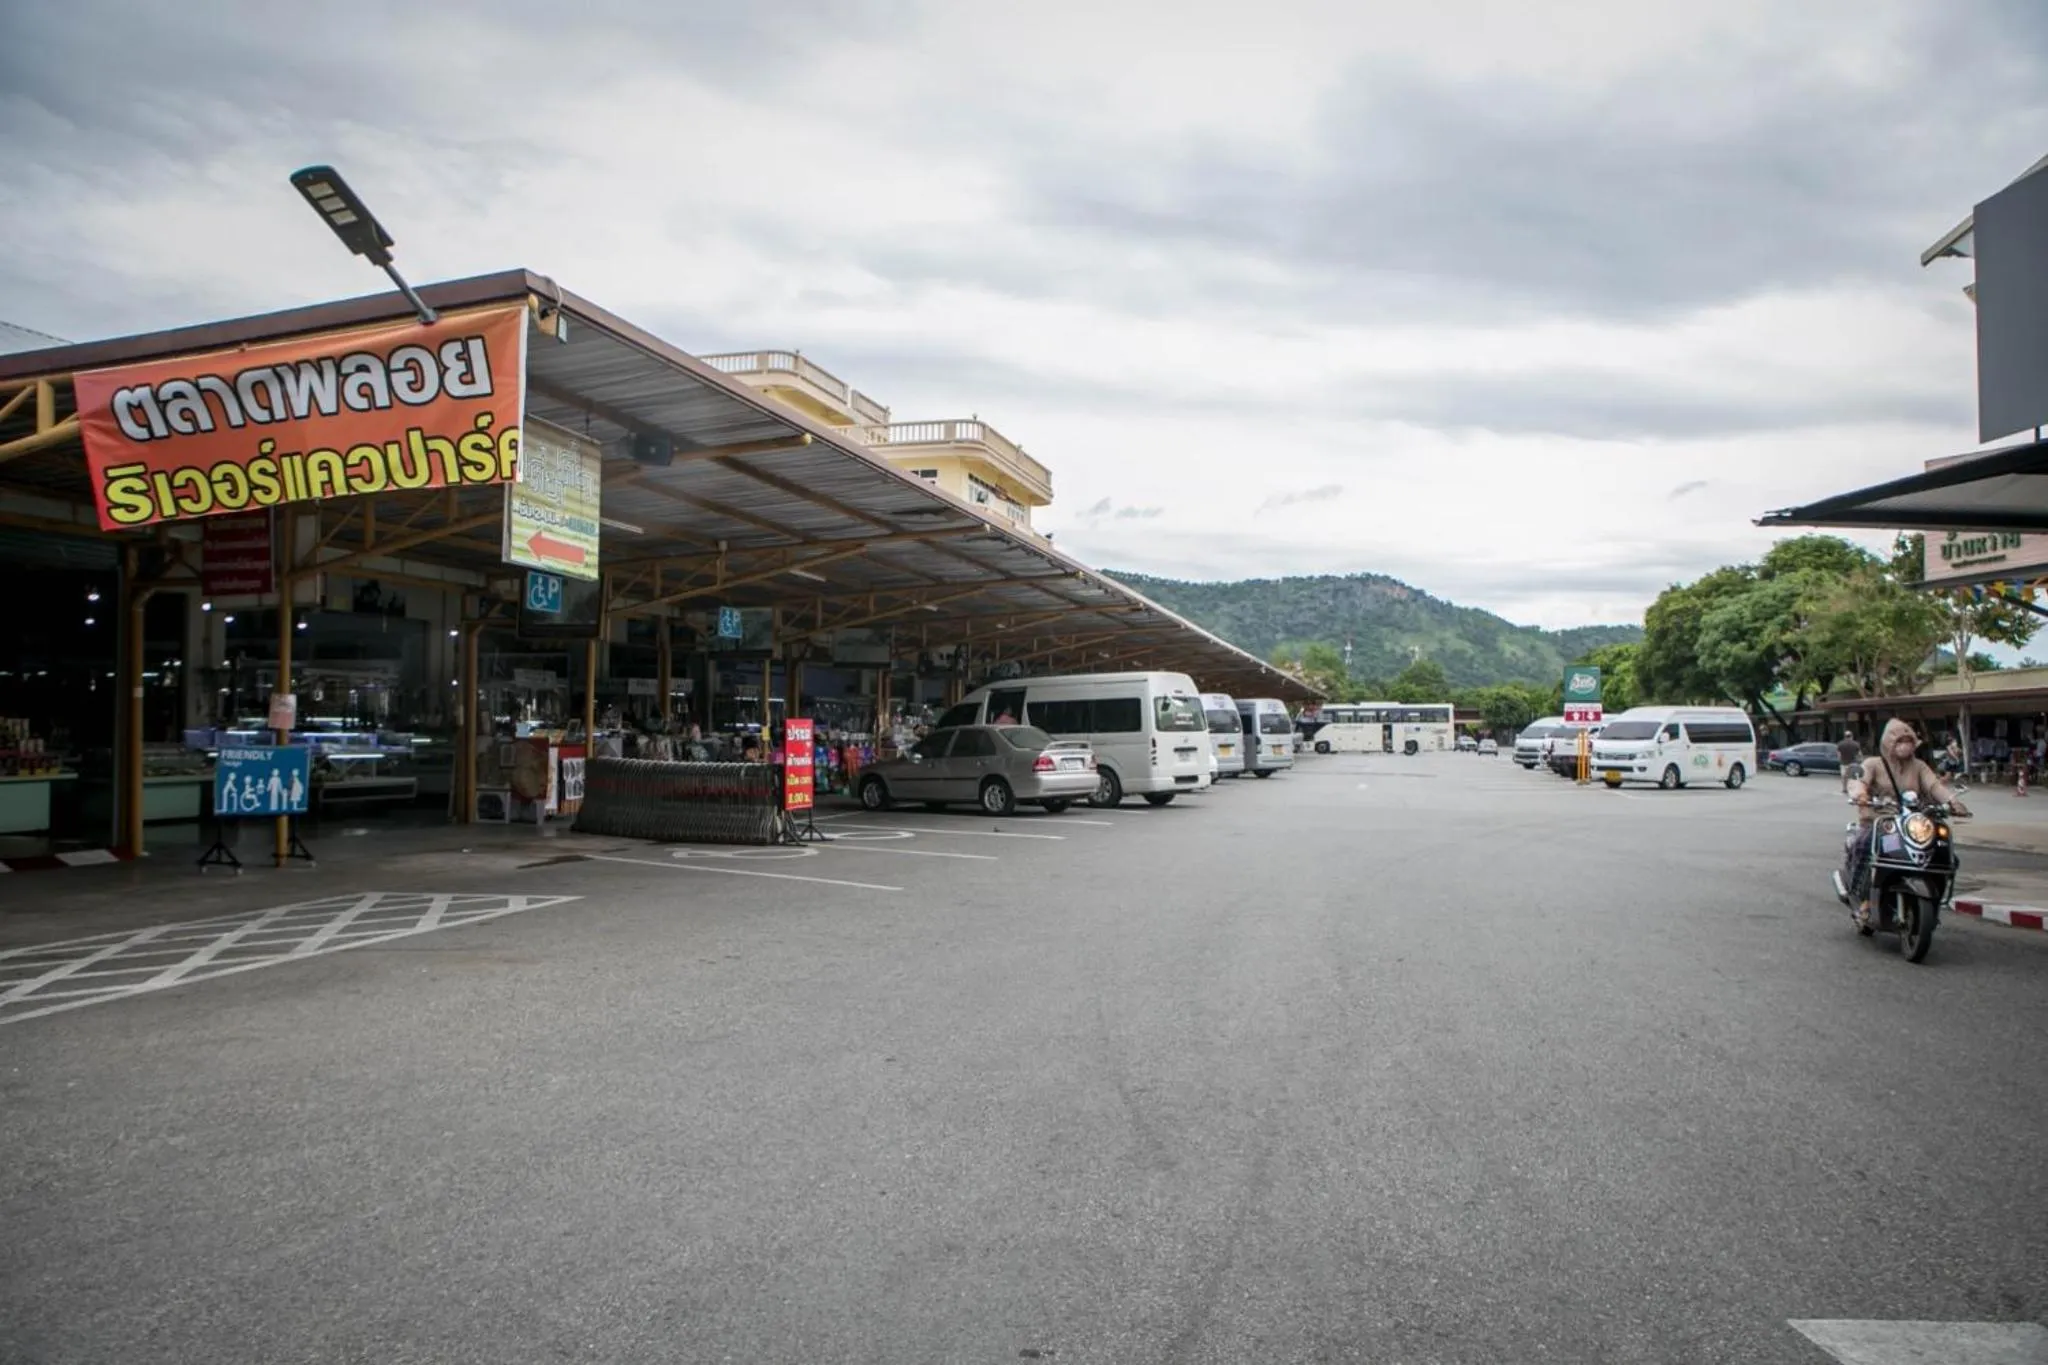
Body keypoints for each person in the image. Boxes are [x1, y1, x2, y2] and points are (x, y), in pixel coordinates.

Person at [1842, 719, 1972, 931]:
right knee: (1865, 846)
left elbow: (1934, 786)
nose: (1905, 745)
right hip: (1881, 823)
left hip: (1913, 823)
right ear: (1889, 743)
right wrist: (1861, 794)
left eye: (1909, 741)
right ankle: (1862, 899)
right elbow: (1858, 782)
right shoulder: (1874, 764)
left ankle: (1934, 901)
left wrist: (1952, 802)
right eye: (1900, 741)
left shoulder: (1919, 766)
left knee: (1946, 855)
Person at [1836, 729, 1861, 794]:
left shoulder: (1840, 744)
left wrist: (1840, 760)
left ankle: (1844, 789)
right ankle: (1853, 788)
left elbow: (1838, 754)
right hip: (1853, 763)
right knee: (1853, 777)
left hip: (1843, 763)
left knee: (1844, 776)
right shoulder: (1856, 744)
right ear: (1851, 736)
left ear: (1845, 736)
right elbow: (1859, 754)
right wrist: (1860, 761)